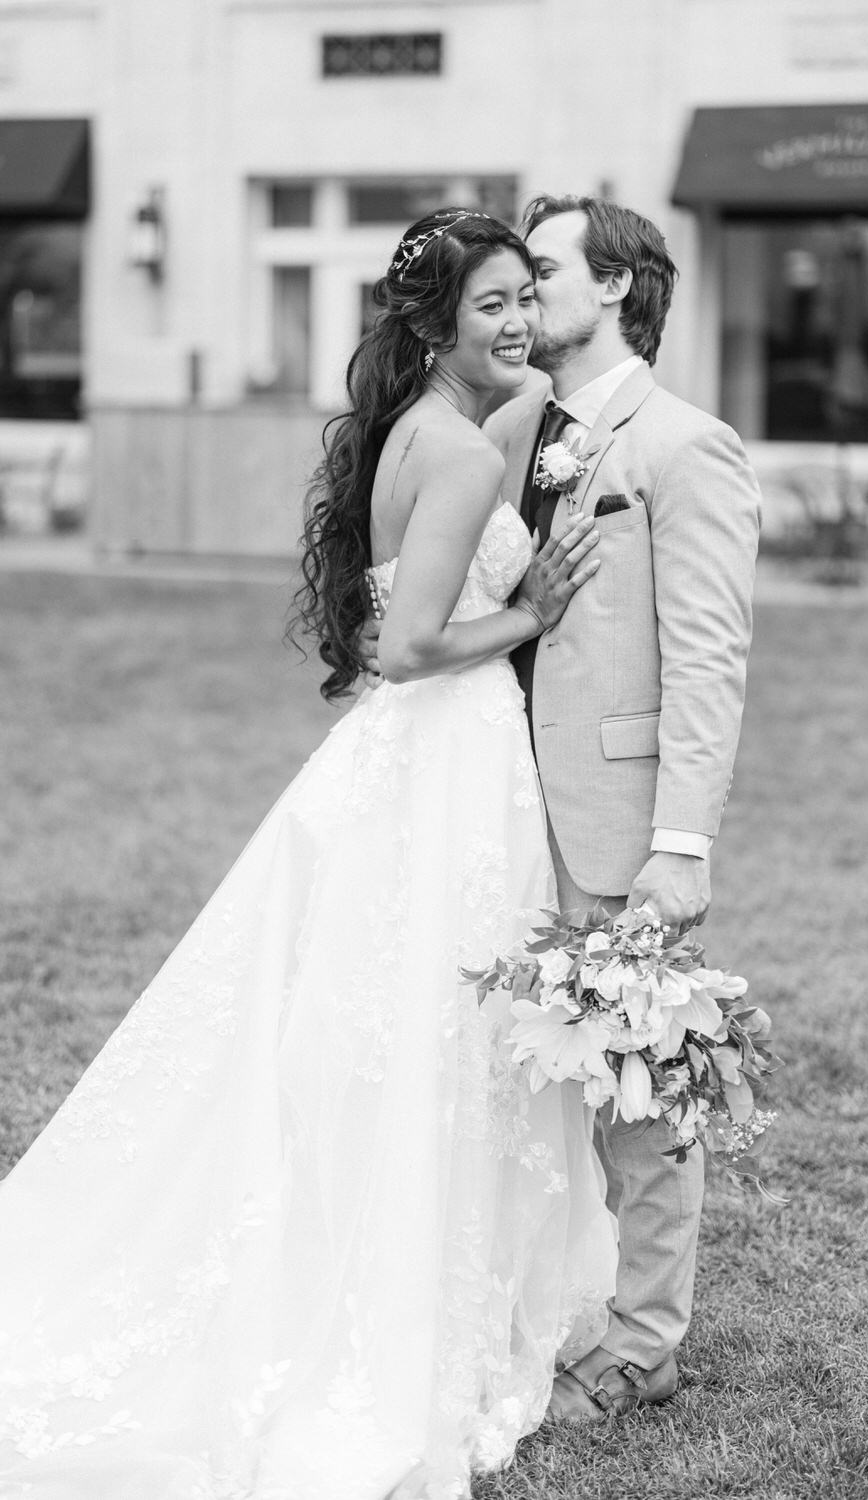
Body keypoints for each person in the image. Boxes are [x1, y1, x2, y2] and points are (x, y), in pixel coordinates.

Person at [0, 209, 616, 1500]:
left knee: (384, 1028)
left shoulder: (420, 432)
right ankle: (397, 1306)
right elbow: (406, 646)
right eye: (492, 305)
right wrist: (532, 609)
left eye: (525, 299)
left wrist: (548, 401)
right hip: (444, 751)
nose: (517, 323)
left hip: (404, 759)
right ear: (435, 323)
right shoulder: (450, 453)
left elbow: (476, 474)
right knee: (432, 1031)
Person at [485, 195, 762, 1421]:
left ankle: (643, 1345)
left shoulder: (683, 445)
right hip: (501, 811)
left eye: (539, 269)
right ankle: (544, 1298)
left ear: (612, 288)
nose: (520, 287)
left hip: (615, 820)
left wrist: (680, 846)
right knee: (522, 1073)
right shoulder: (516, 433)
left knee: (637, 1089)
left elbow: (707, 659)